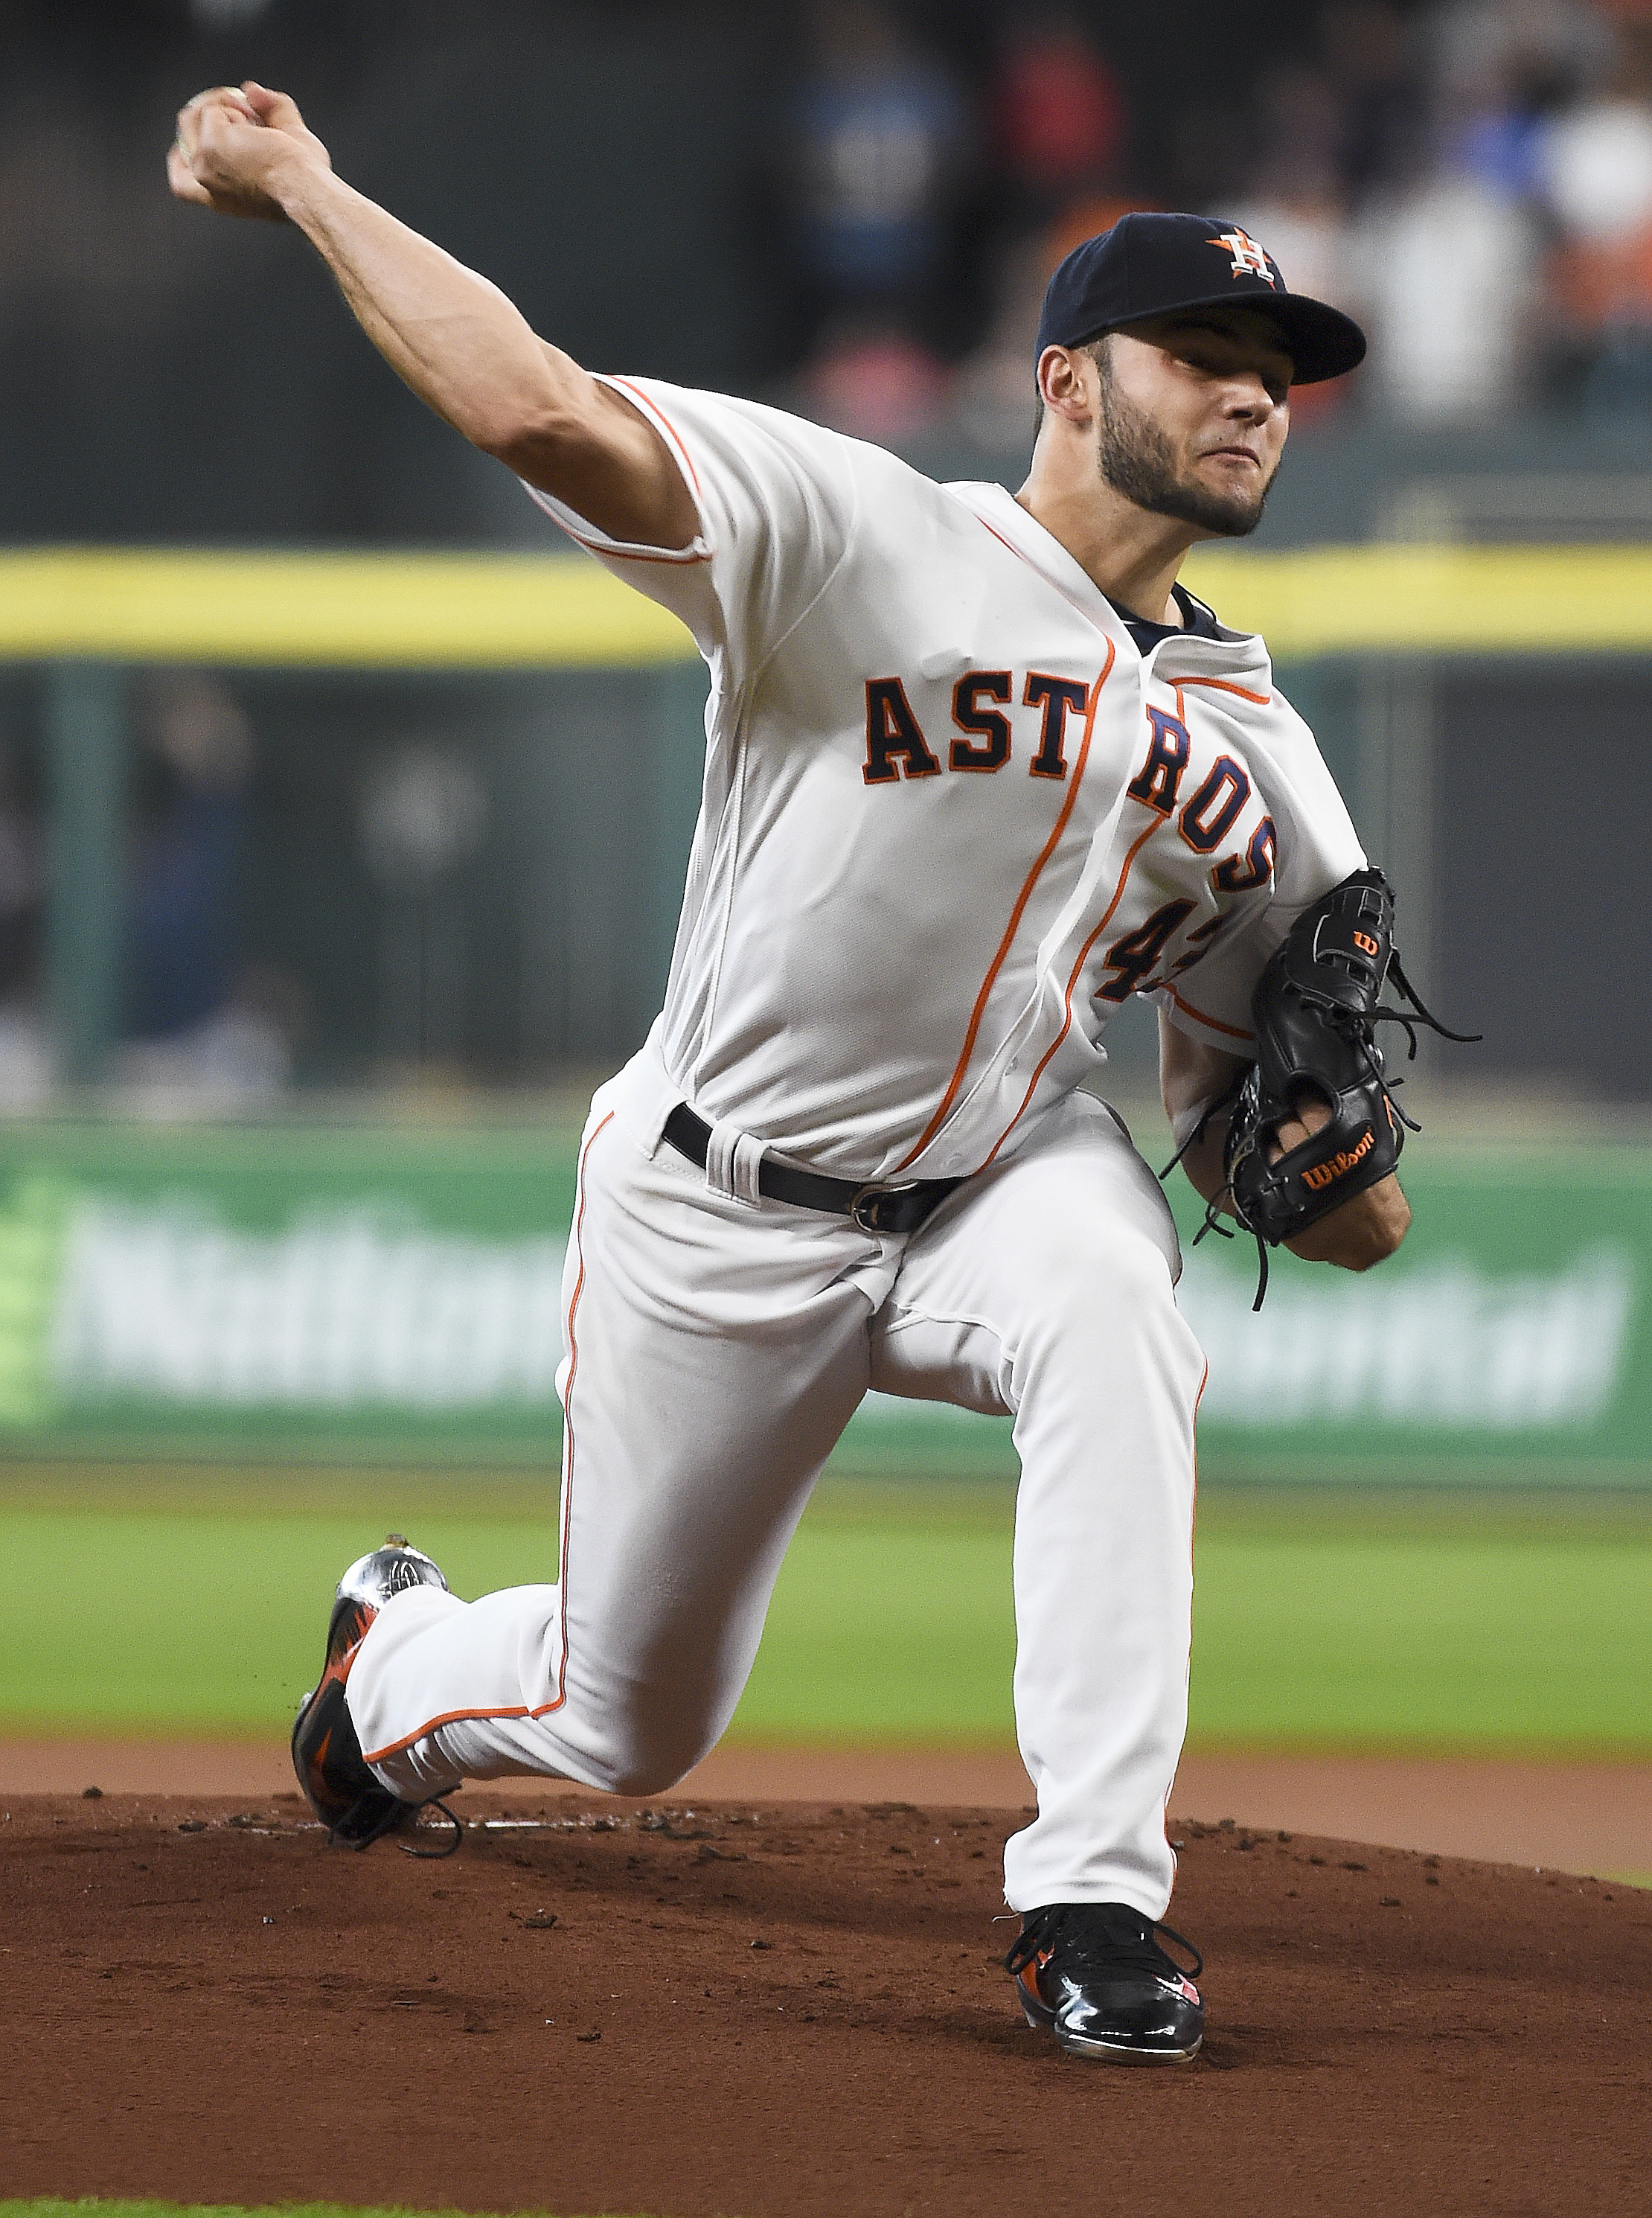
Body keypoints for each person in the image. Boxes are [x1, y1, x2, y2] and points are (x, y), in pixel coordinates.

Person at [169, 85, 1408, 2065]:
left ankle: (1092, 1900)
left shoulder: (1262, 759)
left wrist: (1322, 1163)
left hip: (1008, 1177)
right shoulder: (863, 534)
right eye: (1211, 355)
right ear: (1068, 382)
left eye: (1281, 368)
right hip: (719, 1194)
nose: (1258, 395)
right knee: (623, 1716)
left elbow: (1326, 1196)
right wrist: (308, 182)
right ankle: (388, 1672)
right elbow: (533, 408)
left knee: (1114, 1300)